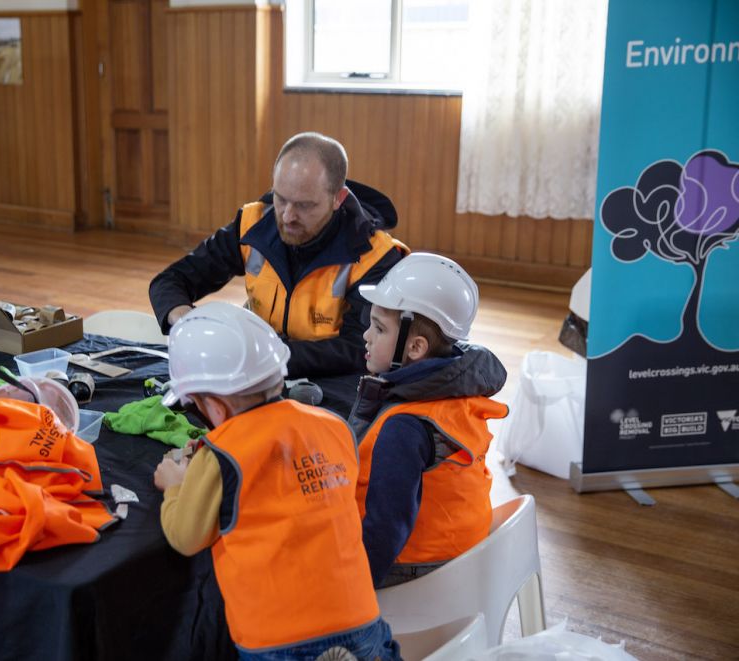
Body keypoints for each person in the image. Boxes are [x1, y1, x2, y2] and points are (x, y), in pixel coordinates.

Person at [153, 302, 399, 661]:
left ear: (215, 407)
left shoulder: (220, 452)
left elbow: (186, 537)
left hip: (278, 640)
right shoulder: (334, 426)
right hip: (363, 621)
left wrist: (177, 484)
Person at [149, 132, 406, 377]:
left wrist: (264, 355)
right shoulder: (253, 222)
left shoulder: (376, 256)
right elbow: (169, 281)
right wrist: (186, 322)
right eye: (281, 198)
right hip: (257, 373)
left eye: (304, 206)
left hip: (330, 384)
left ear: (338, 198)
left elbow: (358, 350)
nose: (287, 216)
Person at [349, 253, 509, 588]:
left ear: (416, 347)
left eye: (379, 328)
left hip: (416, 568)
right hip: (462, 554)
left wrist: (350, 594)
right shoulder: (458, 388)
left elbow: (386, 529)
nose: (366, 336)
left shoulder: (405, 426)